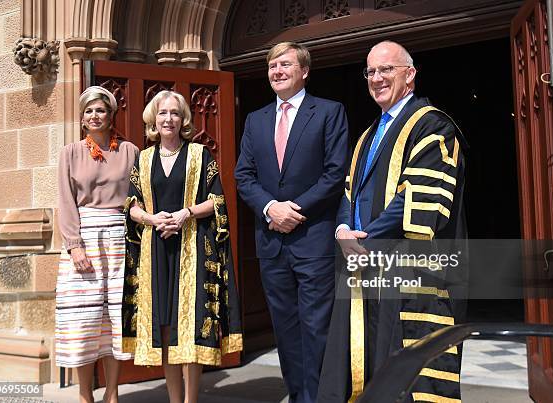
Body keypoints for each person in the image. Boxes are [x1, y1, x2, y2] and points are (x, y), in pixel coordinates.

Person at [318, 41, 467, 402]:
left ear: (410, 74)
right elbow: (348, 192)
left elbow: (419, 198)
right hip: (363, 267)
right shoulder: (369, 134)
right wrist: (342, 229)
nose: (377, 78)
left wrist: (364, 237)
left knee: (407, 372)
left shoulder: (433, 125)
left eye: (387, 69)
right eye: (370, 71)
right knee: (362, 364)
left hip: (410, 269)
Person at [234, 42, 349, 403]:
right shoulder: (256, 120)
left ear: (304, 71)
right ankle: (299, 396)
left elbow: (335, 174)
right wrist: (270, 209)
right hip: (271, 242)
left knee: (317, 328)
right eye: (272, 66)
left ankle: (322, 397)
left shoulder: (329, 112)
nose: (277, 71)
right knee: (284, 329)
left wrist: (292, 210)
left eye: (285, 64)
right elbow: (244, 176)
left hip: (313, 238)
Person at [121, 90, 242, 403]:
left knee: (188, 328)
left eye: (175, 113)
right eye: (162, 113)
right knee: (164, 329)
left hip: (192, 248)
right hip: (156, 250)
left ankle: (191, 400)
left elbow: (217, 200)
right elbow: (130, 205)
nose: (168, 119)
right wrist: (152, 218)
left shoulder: (200, 154)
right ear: (153, 119)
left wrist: (185, 214)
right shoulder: (143, 158)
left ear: (184, 119)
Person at [55, 86, 139, 403]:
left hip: (119, 239)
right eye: (89, 111)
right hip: (84, 239)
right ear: (81, 118)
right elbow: (65, 202)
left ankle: (113, 393)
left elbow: (137, 198)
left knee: (114, 318)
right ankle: (84, 394)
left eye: (100, 110)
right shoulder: (70, 153)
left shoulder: (130, 151)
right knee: (83, 318)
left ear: (111, 114)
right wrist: (74, 245)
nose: (94, 115)